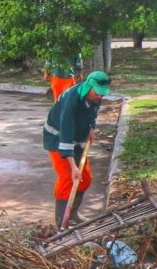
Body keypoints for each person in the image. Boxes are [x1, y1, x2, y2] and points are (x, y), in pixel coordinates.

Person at [43, 71, 110, 227]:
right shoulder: (71, 102)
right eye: (97, 92)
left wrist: (91, 128)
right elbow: (65, 137)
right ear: (88, 86)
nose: (100, 96)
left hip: (77, 139)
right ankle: (62, 221)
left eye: (102, 93)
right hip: (57, 138)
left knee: (84, 178)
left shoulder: (95, 97)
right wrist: (73, 167)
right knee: (69, 177)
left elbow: (93, 113)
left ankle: (72, 215)